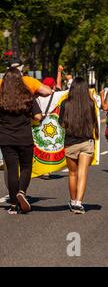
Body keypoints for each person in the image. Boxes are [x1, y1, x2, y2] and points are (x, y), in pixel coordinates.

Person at [0, 68, 52, 214]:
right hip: (24, 137)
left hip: (5, 138)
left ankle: (13, 205)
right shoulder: (27, 96)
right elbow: (38, 117)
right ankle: (22, 192)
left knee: (11, 170)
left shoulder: (1, 97)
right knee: (26, 167)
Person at [59, 77, 99, 214]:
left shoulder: (65, 104)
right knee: (83, 174)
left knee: (72, 174)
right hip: (87, 142)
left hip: (70, 143)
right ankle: (79, 203)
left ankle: (72, 200)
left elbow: (62, 124)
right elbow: (94, 122)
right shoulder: (90, 104)